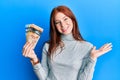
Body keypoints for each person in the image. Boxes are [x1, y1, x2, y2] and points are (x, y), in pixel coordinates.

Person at [22, 5, 112, 80]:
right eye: (58, 22)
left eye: (65, 19)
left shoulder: (87, 47)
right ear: (55, 26)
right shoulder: (48, 46)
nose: (63, 25)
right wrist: (34, 59)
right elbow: (44, 78)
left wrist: (92, 58)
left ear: (72, 19)